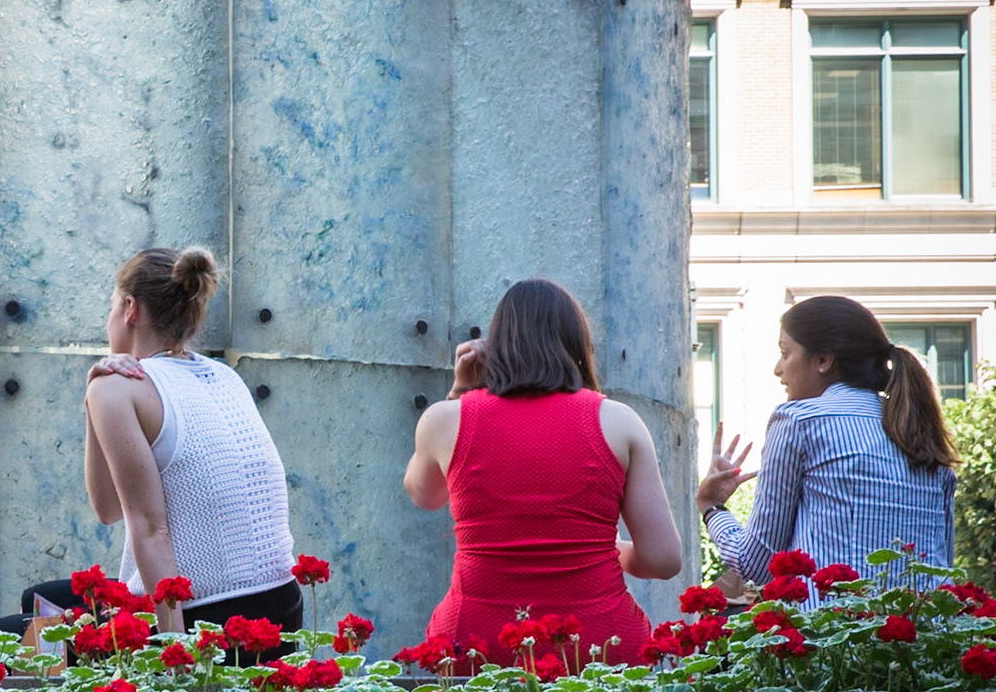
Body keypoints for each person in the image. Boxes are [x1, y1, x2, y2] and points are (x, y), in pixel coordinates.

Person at [404, 278, 682, 665]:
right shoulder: (620, 423)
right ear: (577, 346)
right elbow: (663, 560)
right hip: (600, 645)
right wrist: (588, 552)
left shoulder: (444, 420)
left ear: (495, 346)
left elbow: (425, 495)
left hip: (474, 647)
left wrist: (458, 394)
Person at [67, 246, 300, 639]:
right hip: (284, 610)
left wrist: (176, 659)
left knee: (13, 630)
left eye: (110, 307)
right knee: (49, 600)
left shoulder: (119, 387)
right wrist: (94, 400)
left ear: (130, 309)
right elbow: (108, 509)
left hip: (206, 623)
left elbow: (149, 529)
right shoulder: (225, 376)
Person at [700, 295, 956, 595]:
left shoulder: (799, 421)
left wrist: (711, 507)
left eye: (785, 353)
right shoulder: (920, 434)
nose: (777, 369)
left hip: (834, 634)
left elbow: (758, 563)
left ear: (823, 361)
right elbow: (940, 568)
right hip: (922, 636)